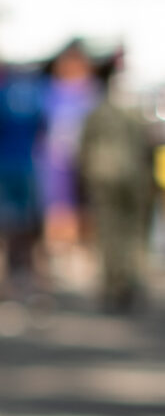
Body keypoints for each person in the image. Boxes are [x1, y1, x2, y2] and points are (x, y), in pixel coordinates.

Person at [78, 59, 157, 310]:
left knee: (113, 230)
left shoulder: (100, 112)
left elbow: (84, 147)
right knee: (130, 231)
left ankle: (118, 280)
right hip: (131, 176)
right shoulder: (137, 113)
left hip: (109, 176)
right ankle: (126, 279)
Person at [0, 62, 49, 293]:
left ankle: (14, 276)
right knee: (22, 225)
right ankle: (22, 276)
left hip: (9, 166)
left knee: (11, 226)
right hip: (21, 166)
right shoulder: (35, 94)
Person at [38, 43, 98, 261]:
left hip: (87, 160)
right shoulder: (50, 92)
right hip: (56, 161)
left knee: (87, 206)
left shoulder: (93, 92)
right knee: (59, 208)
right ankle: (60, 253)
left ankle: (82, 251)